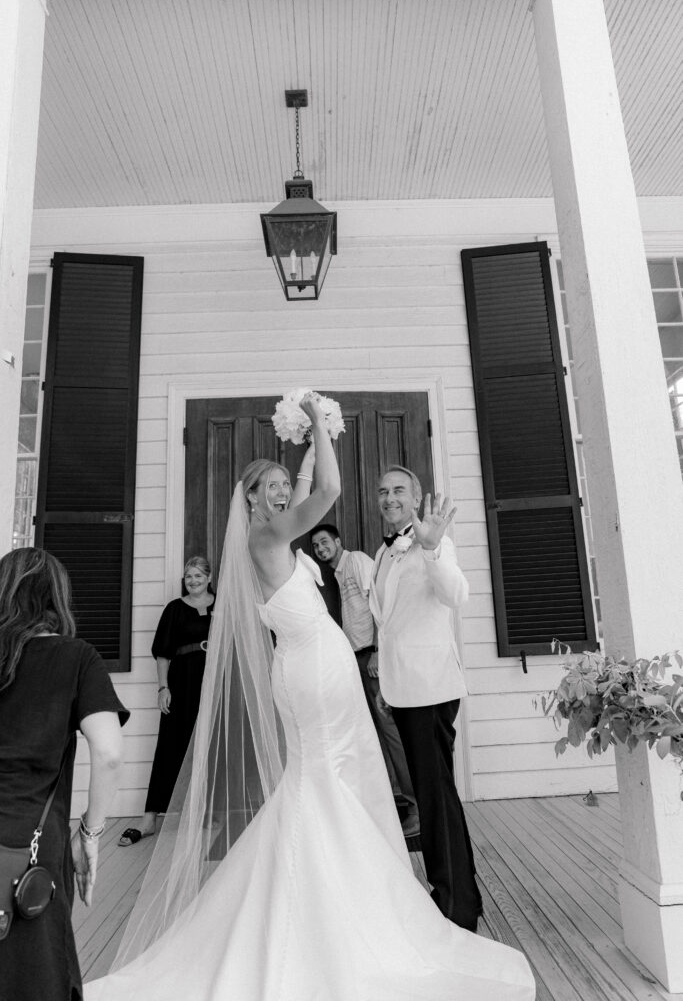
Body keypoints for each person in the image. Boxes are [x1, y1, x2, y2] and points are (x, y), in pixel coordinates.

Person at [85, 394, 535, 1001]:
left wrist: (300, 436)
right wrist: (321, 422)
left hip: (313, 667)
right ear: (249, 500)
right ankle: (331, 905)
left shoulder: (272, 536)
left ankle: (332, 888)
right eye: (267, 485)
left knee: (324, 781)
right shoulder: (269, 536)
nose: (278, 491)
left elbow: (302, 488)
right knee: (325, 779)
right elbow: (325, 488)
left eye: (279, 483)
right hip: (314, 672)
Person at [0, 547, 128, 1001]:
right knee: (37, 974)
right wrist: (90, 834)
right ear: (57, 597)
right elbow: (109, 752)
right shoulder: (76, 658)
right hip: (32, 846)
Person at [369, 464, 481, 931]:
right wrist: (383, 681)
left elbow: (457, 595)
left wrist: (434, 548)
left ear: (416, 499)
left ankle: (454, 907)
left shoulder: (436, 541)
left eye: (398, 490)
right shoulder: (383, 551)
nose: (389, 497)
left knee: (435, 797)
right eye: (382, 491)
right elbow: (388, 621)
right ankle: (459, 894)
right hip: (402, 688)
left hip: (431, 690)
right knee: (434, 793)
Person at [310, 522, 419, 837]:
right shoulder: (339, 572)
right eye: (316, 546)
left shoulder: (356, 561)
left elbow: (380, 606)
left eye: (324, 542)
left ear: (338, 540)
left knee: (390, 729)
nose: (320, 549)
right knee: (374, 732)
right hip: (356, 658)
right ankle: (388, 803)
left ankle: (417, 805)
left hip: (372, 657)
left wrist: (376, 652)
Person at [119, 557, 214, 846]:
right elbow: (163, 653)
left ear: (209, 578)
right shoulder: (174, 609)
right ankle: (150, 818)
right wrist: (163, 687)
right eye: (188, 576)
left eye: (198, 575)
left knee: (210, 745)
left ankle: (206, 812)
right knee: (170, 746)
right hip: (182, 682)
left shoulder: (222, 604)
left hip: (213, 683)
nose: (193, 580)